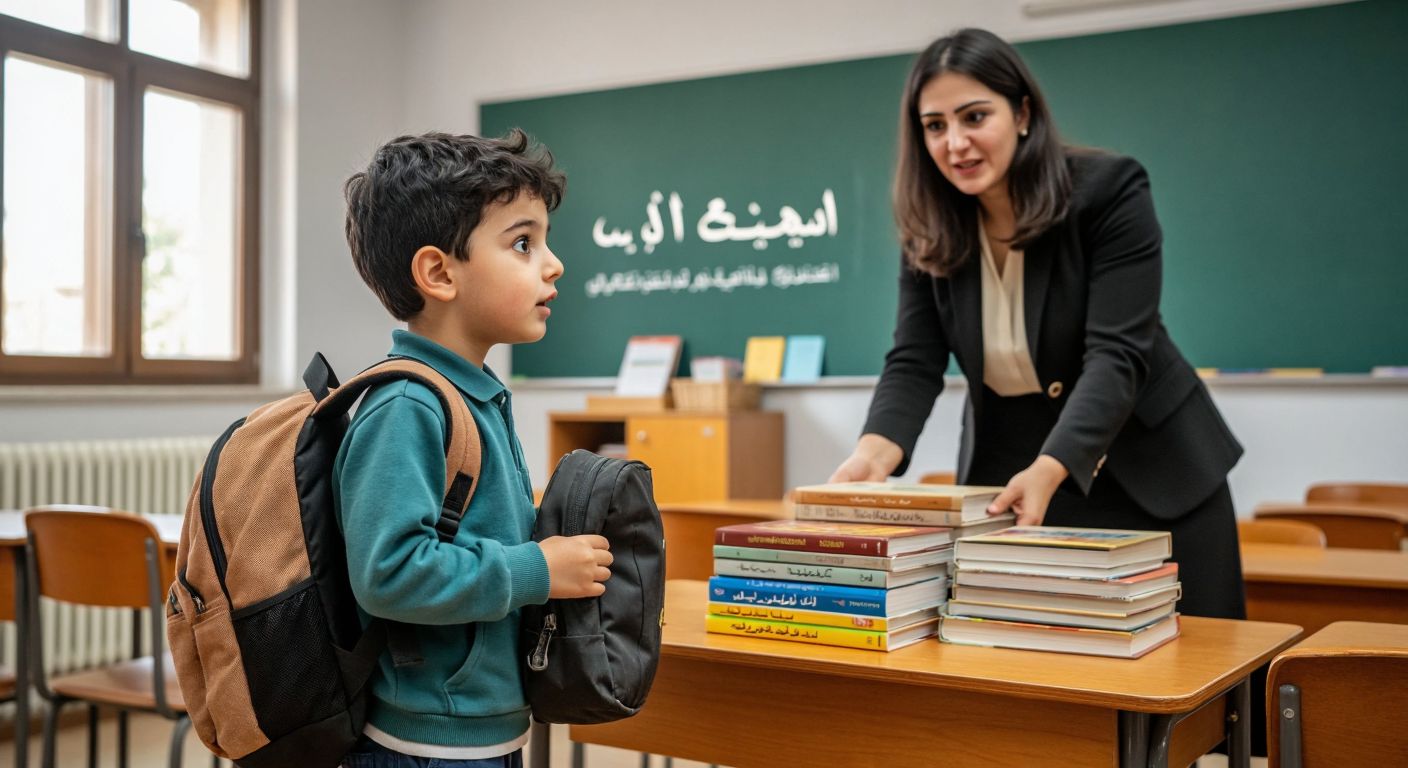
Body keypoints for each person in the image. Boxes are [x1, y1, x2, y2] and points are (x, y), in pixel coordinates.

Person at [830, 28, 1246, 622]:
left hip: (1148, 472)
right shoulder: (929, 227)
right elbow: (914, 360)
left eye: (975, 116)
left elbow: (1117, 354)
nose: (956, 143)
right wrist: (874, 455)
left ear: (1022, 113)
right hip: (1013, 474)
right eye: (935, 126)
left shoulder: (1109, 191)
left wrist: (1053, 467)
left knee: (1196, 677)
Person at [335, 131, 612, 767]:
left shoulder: (475, 395)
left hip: (482, 732)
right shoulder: (408, 406)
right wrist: (537, 570)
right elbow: (390, 573)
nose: (553, 263)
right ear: (438, 273)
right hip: (427, 745)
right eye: (523, 243)